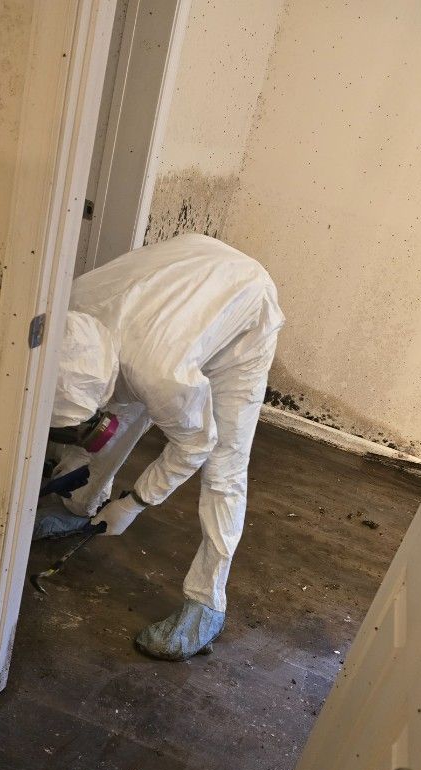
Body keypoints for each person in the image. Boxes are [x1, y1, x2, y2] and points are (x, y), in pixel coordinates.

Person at [35, 233, 284, 660]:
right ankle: (81, 507)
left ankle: (207, 602)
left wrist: (135, 501)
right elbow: (109, 398)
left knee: (225, 461)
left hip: (245, 302)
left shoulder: (160, 374)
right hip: (186, 277)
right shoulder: (72, 313)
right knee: (127, 406)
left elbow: (195, 445)